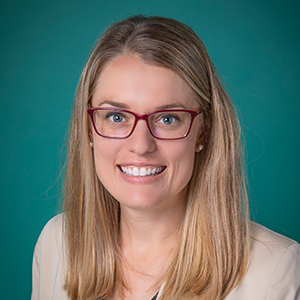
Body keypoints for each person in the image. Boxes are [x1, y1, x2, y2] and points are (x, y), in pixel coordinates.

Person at [31, 15, 300, 300]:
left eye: (168, 118)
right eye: (116, 116)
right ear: (89, 129)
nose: (141, 144)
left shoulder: (276, 270)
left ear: (202, 132)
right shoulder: (56, 243)